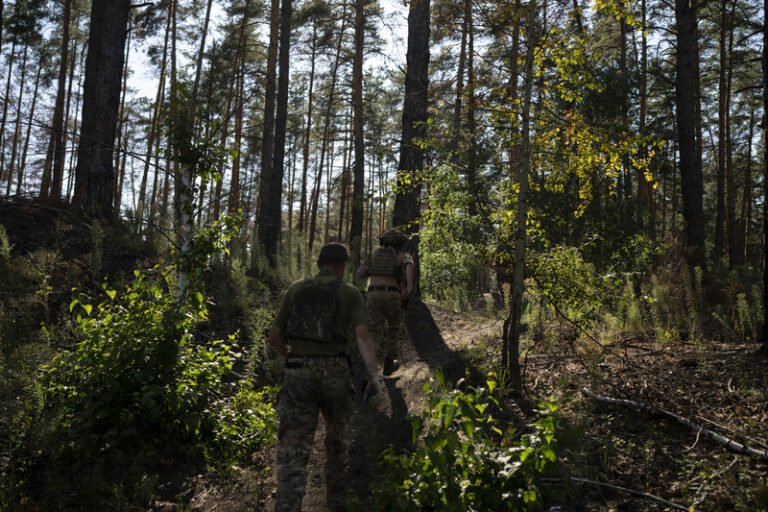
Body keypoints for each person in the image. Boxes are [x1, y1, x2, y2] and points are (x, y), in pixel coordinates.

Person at [269, 243, 382, 512]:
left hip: (298, 372)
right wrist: (374, 376)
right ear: (342, 266)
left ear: (319, 263)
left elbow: (274, 334)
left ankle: (287, 504)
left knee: (293, 449)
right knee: (337, 443)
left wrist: (289, 358)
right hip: (335, 373)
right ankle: (337, 502)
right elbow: (363, 337)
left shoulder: (296, 289)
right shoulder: (350, 293)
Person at [356, 229, 415, 376]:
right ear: (400, 243)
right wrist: (409, 288)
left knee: (375, 331)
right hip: (392, 295)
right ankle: (389, 363)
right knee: (393, 328)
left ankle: (369, 368)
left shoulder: (374, 256)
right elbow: (410, 265)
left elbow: (359, 274)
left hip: (374, 295)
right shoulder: (402, 255)